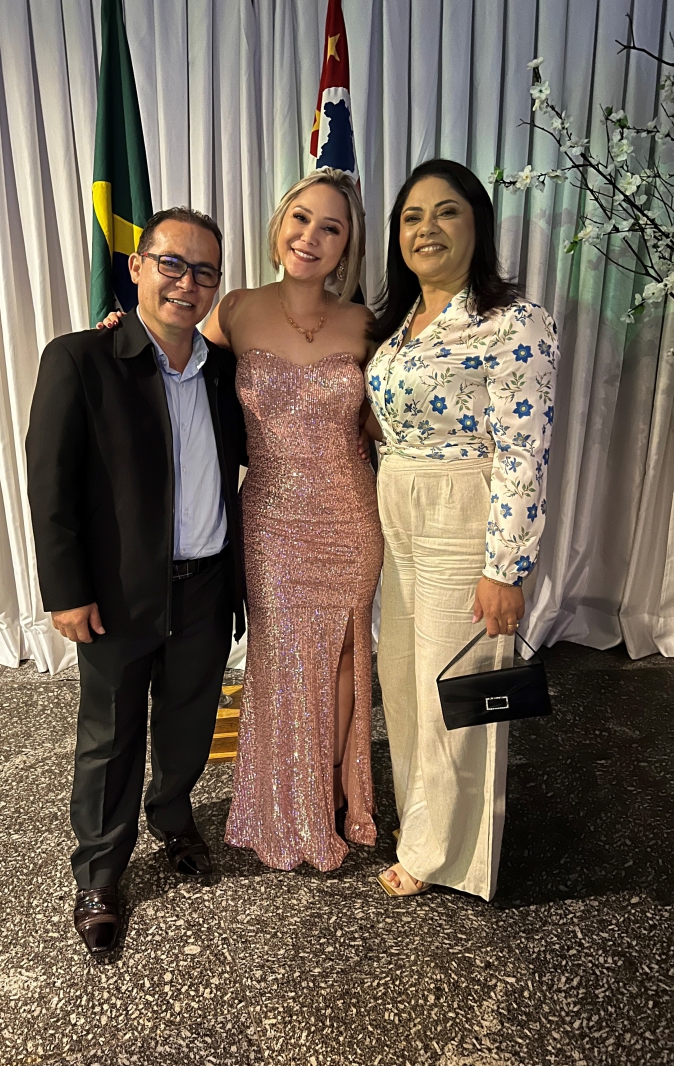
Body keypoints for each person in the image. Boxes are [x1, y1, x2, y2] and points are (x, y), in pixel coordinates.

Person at [26, 207, 246, 955]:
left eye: (205, 271)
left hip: (208, 583)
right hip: (119, 593)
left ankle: (174, 817)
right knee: (111, 735)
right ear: (138, 267)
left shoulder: (224, 371)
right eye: (172, 264)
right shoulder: (81, 359)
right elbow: (50, 486)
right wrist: (66, 590)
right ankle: (99, 871)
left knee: (188, 724)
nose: (188, 282)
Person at [364, 159, 558, 900]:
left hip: (461, 510)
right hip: (398, 508)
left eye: (446, 211)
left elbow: (524, 452)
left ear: (477, 223)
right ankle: (424, 820)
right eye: (412, 216)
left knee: (456, 686)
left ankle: (442, 851)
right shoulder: (397, 325)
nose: (428, 228)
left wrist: (506, 568)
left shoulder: (513, 322)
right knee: (404, 677)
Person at [205, 169, 383, 871]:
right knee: (282, 657)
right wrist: (116, 332)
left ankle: (333, 795)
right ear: (280, 224)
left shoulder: (366, 324)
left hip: (350, 513)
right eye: (301, 218)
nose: (311, 236)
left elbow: (390, 417)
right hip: (273, 518)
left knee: (344, 656)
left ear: (347, 246)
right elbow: (170, 362)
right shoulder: (236, 309)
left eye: (331, 227)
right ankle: (287, 798)